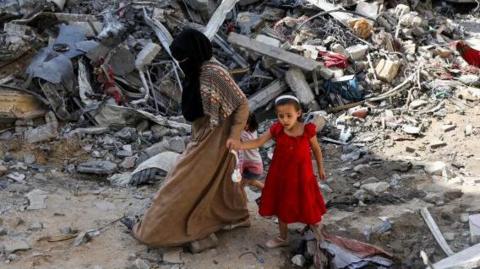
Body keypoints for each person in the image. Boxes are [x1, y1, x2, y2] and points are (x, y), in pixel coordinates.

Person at [123, 28, 250, 252]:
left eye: (184, 58)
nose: (181, 62)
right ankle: (235, 216)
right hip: (203, 135)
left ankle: (150, 232)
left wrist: (233, 136)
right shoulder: (197, 71)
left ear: (195, 53)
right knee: (219, 181)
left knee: (179, 183)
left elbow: (241, 104)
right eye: (178, 59)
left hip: (216, 138)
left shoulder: (213, 73)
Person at [227, 95, 327, 248]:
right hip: (281, 176)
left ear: (298, 113)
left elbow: (316, 150)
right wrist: (239, 145)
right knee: (282, 205)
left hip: (303, 175)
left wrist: (320, 168)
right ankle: (283, 237)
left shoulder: (307, 130)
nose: (284, 120)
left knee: (307, 201)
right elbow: (258, 142)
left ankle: (314, 227)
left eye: (289, 116)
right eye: (281, 116)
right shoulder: (277, 129)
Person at [239, 113, 264, 190]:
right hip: (256, 165)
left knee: (240, 186)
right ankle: (269, 193)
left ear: (249, 124)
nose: (241, 125)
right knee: (252, 182)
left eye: (244, 123)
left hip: (253, 168)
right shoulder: (253, 131)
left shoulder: (244, 134)